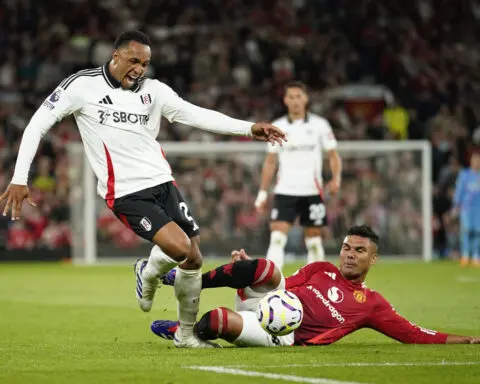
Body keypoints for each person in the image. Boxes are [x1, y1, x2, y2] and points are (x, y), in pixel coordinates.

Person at [0, 30, 286, 348]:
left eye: (145, 63)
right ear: (115, 56)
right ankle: (148, 272)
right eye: (134, 60)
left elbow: (195, 115)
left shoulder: (154, 91)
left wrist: (248, 128)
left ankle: (187, 335)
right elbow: (38, 124)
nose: (139, 69)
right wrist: (19, 178)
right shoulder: (81, 85)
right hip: (125, 192)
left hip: (163, 183)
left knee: (194, 259)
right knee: (180, 249)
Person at [152, 225, 480, 346]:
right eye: (347, 248)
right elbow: (284, 283)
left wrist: (463, 339)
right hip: (276, 302)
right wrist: (248, 269)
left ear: (373, 259)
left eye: (359, 251)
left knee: (218, 321)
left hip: (283, 332)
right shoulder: (321, 268)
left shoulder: (372, 303)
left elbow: (412, 334)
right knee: (265, 266)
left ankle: (187, 331)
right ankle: (189, 280)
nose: (350, 255)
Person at [254, 81, 342, 270]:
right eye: (291, 97)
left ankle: (315, 285)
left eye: (298, 96)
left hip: (312, 191)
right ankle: (272, 283)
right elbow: (270, 162)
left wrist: (336, 179)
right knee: (277, 239)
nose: (295, 101)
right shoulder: (276, 126)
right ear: (285, 100)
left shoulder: (320, 125)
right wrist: (262, 193)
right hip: (285, 190)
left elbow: (333, 155)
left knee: (314, 242)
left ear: (306, 99)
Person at [452, 150, 480, 267]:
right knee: (466, 231)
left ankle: (475, 256)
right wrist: (456, 205)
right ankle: (465, 255)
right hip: (466, 207)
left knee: (478, 232)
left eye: (478, 160)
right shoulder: (465, 174)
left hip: (478, 208)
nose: (476, 162)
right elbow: (459, 190)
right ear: (471, 161)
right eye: (475, 160)